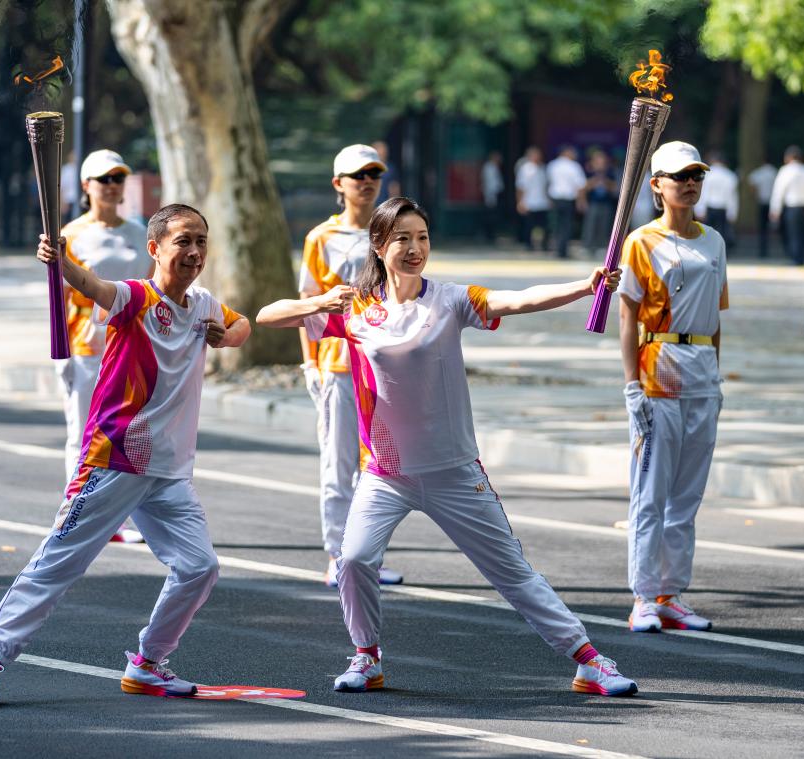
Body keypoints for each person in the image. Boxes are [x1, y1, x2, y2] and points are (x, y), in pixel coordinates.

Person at [257, 196, 637, 698]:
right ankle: (366, 656)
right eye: (403, 239)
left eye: (422, 237)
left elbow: (517, 299)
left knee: (512, 573)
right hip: (386, 473)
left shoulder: (450, 300)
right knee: (354, 559)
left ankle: (589, 662)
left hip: (454, 471)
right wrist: (318, 303)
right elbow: (266, 316)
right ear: (379, 245)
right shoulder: (355, 308)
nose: (415, 248)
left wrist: (583, 286)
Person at [0, 203, 250, 708]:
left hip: (169, 472)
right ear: (154, 248)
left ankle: (148, 663)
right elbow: (92, 286)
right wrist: (62, 262)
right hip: (113, 461)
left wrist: (227, 335)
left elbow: (242, 323)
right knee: (59, 564)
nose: (194, 252)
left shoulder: (203, 304)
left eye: (201, 241)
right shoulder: (135, 298)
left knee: (199, 567)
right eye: (183, 241)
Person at [618, 141, 728, 634]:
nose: (690, 183)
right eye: (680, 176)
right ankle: (643, 596)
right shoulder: (641, 242)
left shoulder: (714, 242)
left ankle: (670, 594)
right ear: (656, 185)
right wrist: (631, 386)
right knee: (651, 493)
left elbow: (715, 319)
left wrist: (717, 375)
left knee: (687, 496)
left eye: (696, 175)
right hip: (657, 371)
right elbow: (627, 318)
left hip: (702, 373)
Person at [299, 144, 403, 587]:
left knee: (379, 466)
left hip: (383, 365)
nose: (367, 182)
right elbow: (307, 304)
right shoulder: (322, 237)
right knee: (339, 464)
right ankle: (337, 555)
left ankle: (368, 556)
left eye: (373, 174)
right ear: (338, 184)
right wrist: (310, 365)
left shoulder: (392, 231)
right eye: (358, 175)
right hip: (339, 365)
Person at [57, 150, 155, 544]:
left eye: (118, 178)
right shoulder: (71, 234)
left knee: (127, 432)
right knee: (84, 431)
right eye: (104, 179)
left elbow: (150, 289)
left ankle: (117, 519)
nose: (112, 186)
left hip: (130, 341)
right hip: (87, 342)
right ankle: (76, 513)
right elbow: (59, 297)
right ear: (86, 186)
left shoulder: (139, 232)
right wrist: (61, 352)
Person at [770, 146, 804, 266]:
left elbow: (779, 191)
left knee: (793, 234)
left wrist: (775, 210)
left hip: (791, 207)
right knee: (803, 234)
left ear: (788, 157)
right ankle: (801, 257)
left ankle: (795, 258)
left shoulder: (785, 171)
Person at [546, 145, 586, 259]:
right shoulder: (574, 166)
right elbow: (580, 185)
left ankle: (556, 249)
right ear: (566, 153)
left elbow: (548, 183)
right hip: (568, 200)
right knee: (566, 226)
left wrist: (548, 198)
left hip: (555, 199)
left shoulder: (552, 165)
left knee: (556, 225)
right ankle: (562, 251)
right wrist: (581, 201)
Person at [694, 151, 738, 248]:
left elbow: (703, 193)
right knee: (722, 234)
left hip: (709, 207)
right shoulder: (730, 175)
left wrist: (699, 209)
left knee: (707, 234)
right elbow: (731, 196)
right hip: (723, 208)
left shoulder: (707, 174)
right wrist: (732, 213)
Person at [579, 149, 618, 256]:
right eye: (598, 160)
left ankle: (601, 246)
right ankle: (587, 246)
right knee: (590, 225)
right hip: (592, 203)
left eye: (602, 160)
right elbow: (583, 188)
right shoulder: (588, 172)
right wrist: (593, 182)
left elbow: (614, 188)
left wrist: (605, 181)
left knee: (604, 225)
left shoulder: (610, 173)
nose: (600, 162)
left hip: (606, 203)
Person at [515, 146, 550, 251]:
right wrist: (520, 202)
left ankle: (544, 245)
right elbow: (520, 187)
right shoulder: (525, 169)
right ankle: (528, 245)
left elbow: (546, 186)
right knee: (529, 225)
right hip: (529, 202)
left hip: (542, 202)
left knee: (544, 225)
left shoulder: (542, 168)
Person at [747, 160, 777, 258]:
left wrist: (754, 195)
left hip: (762, 202)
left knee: (762, 228)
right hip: (772, 202)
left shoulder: (758, 172)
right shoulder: (774, 172)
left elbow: (751, 182)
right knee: (770, 227)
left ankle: (762, 250)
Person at [480, 150, 505, 243]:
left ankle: (491, 234)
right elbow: (488, 183)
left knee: (494, 216)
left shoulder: (494, 167)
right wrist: (490, 197)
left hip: (495, 194)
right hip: (491, 195)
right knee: (490, 216)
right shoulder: (489, 167)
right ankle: (489, 235)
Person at [372, 140, 401, 206]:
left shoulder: (391, 169)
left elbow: (394, 188)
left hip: (384, 206)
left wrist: (393, 206)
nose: (383, 152)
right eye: (380, 149)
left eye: (384, 150)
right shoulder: (368, 168)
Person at [60, 150, 79, 222]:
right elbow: (62, 187)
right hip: (68, 201)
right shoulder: (66, 169)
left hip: (79, 201)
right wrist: (62, 202)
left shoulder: (80, 168)